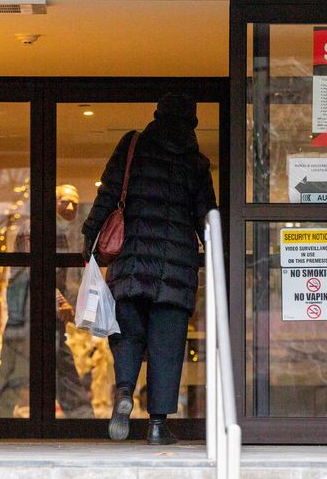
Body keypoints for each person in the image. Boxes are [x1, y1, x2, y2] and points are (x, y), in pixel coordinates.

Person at [82, 93, 217, 445]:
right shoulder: (197, 162)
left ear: (157, 115)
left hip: (132, 262)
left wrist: (90, 237)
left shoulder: (133, 145)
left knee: (127, 333)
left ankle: (125, 389)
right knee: (167, 345)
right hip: (176, 268)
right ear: (193, 123)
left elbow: (109, 194)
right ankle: (157, 425)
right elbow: (207, 218)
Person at [0, 184, 94, 418]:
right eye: (64, 202)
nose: (69, 207)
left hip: (44, 315)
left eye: (74, 203)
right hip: (29, 313)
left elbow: (65, 276)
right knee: (22, 370)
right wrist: (61, 303)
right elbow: (39, 271)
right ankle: (82, 419)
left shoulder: (64, 233)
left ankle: (81, 419)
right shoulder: (37, 229)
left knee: (54, 368)